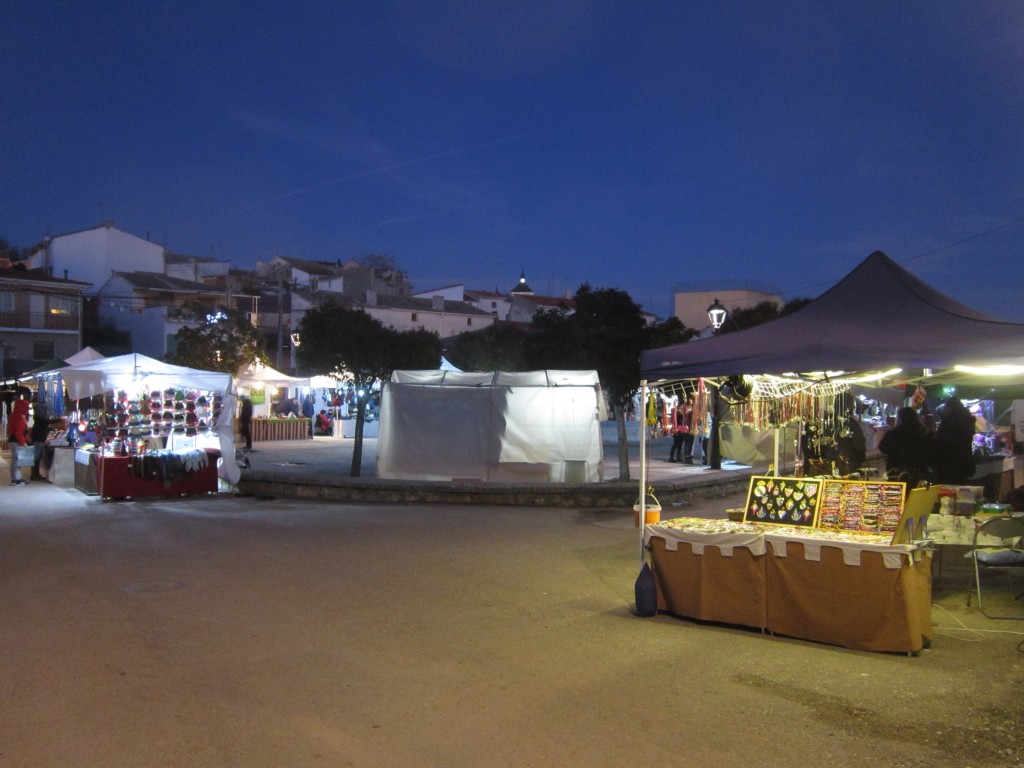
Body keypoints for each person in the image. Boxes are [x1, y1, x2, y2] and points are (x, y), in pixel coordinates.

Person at [878, 407, 932, 488]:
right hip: (918, 469)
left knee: (897, 493)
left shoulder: (895, 433)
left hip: (897, 468)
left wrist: (895, 452)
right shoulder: (924, 432)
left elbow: (883, 447)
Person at [932, 397, 976, 484]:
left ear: (950, 407)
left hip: (947, 462)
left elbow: (940, 441)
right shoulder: (967, 419)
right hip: (964, 461)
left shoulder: (949, 421)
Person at [7, 398, 31, 486]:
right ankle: (16, 479)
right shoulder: (20, 417)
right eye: (26, 407)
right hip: (17, 441)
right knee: (17, 461)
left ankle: (17, 478)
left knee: (15, 460)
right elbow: (19, 432)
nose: (27, 409)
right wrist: (23, 442)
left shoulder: (13, 415)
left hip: (13, 440)